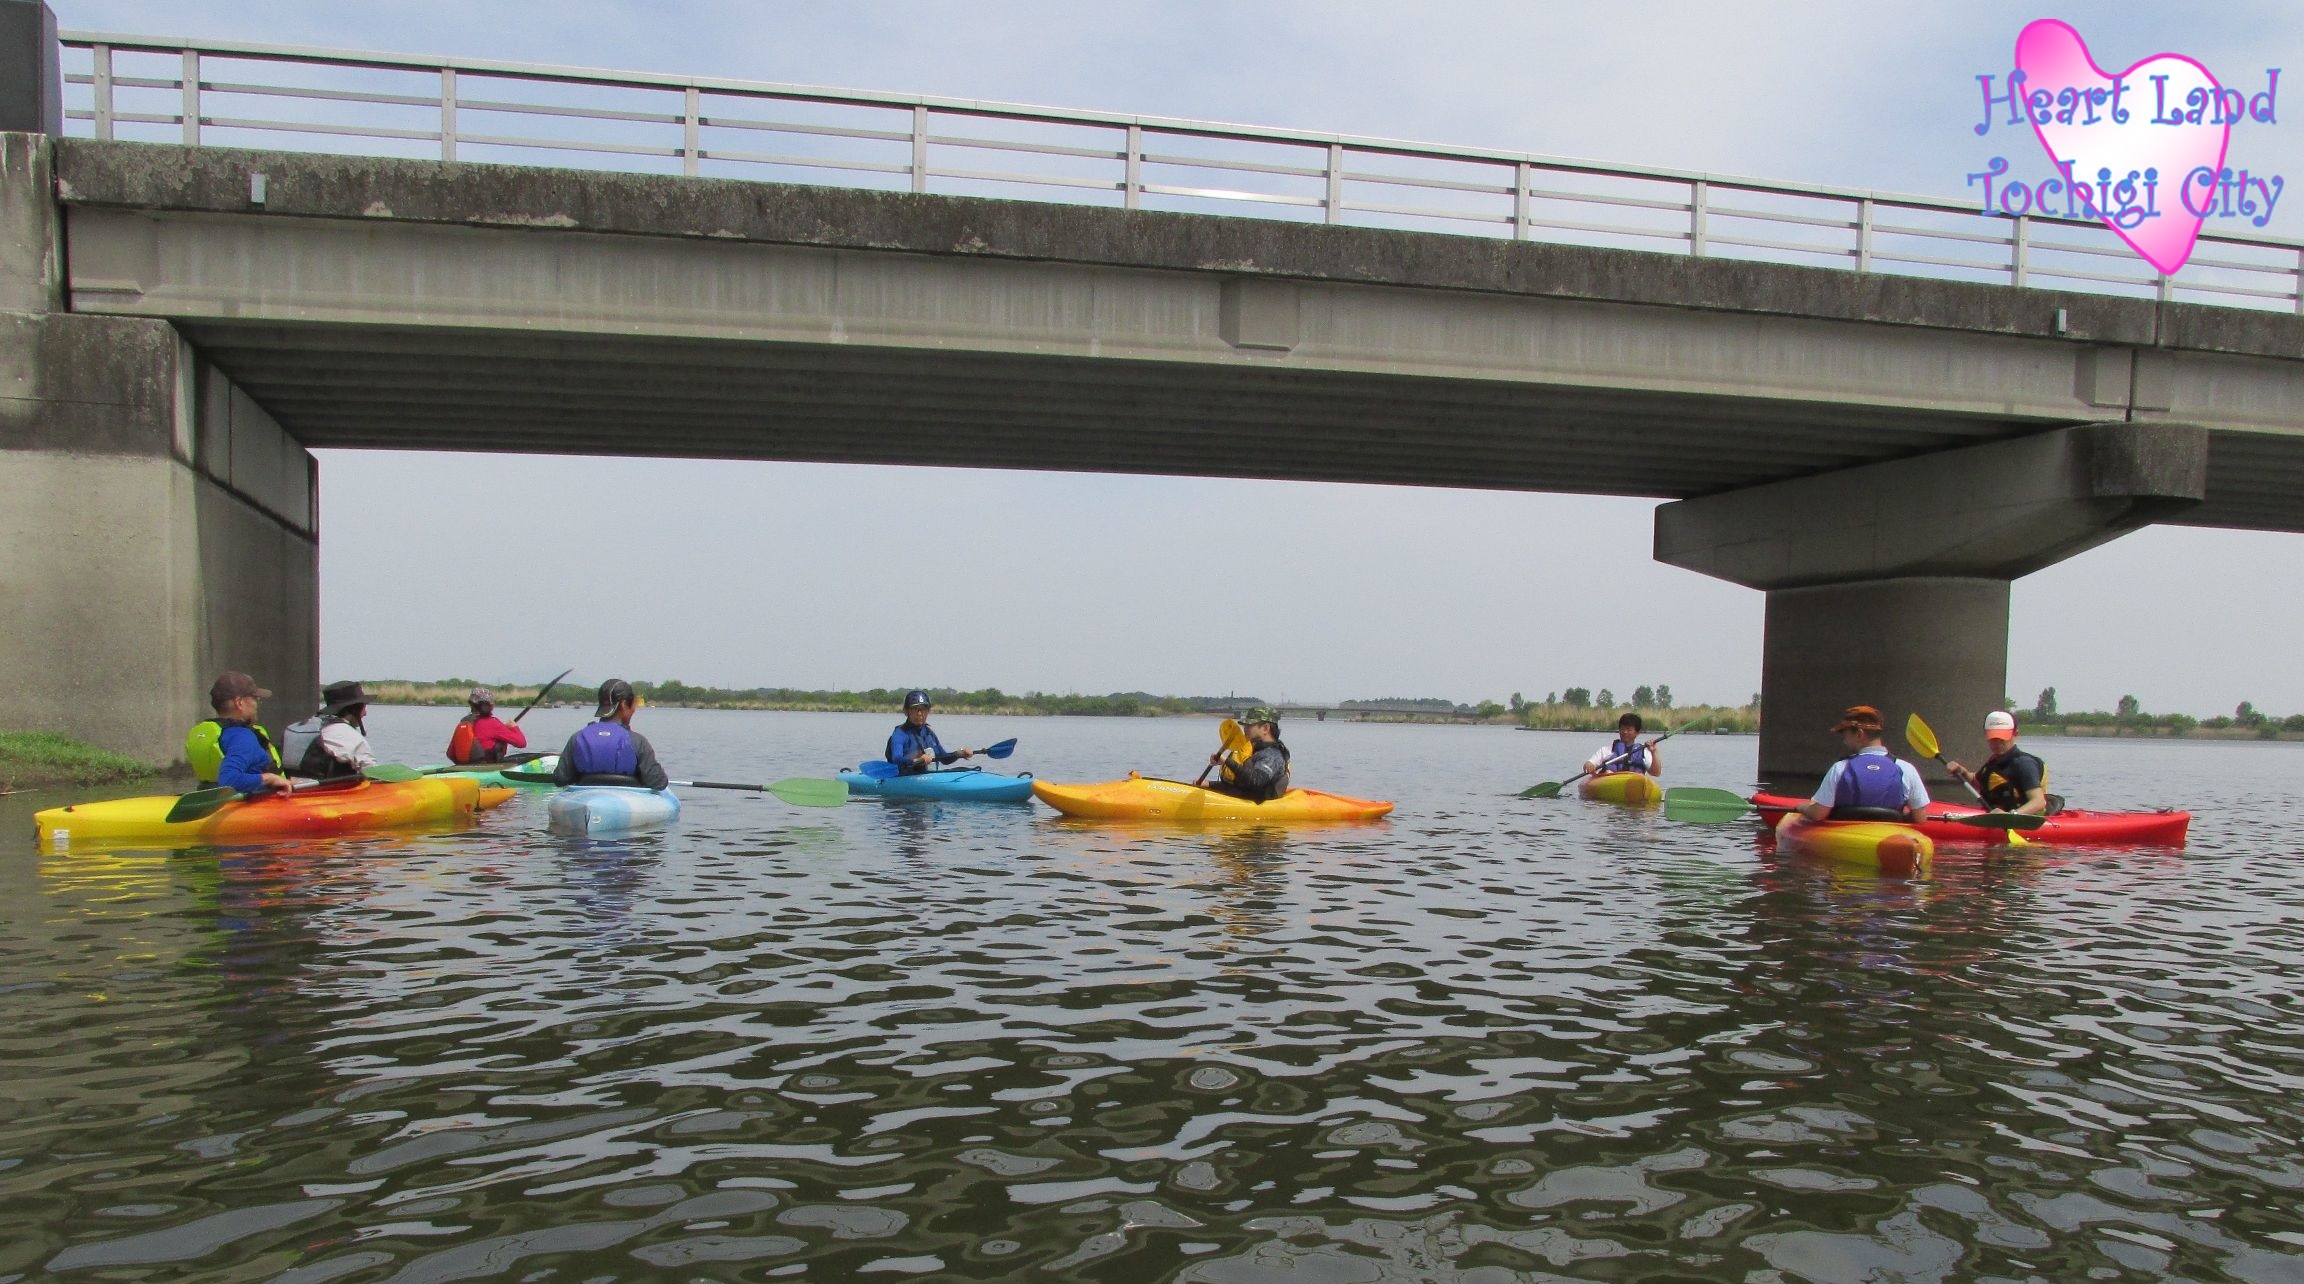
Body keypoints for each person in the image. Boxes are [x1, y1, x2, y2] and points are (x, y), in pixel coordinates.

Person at [1797, 704, 1928, 823]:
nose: (1844, 741)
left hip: (1846, 838)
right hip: (1890, 836)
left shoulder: (1840, 767)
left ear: (1859, 734)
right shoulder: (1906, 768)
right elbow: (1921, 818)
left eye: (1845, 734)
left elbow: (1818, 814)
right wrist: (1901, 815)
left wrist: (1801, 806)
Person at [184, 671, 292, 794]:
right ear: (239, 702)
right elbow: (229, 780)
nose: (257, 704)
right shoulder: (242, 737)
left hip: (215, 801)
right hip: (255, 805)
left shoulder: (222, 733)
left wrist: (283, 781)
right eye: (255, 698)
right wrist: (269, 778)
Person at [553, 678, 669, 790]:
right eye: (634, 704)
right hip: (627, 804)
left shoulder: (577, 738)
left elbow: (560, 779)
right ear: (624, 704)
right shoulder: (638, 741)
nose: (634, 709)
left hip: (586, 800)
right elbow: (659, 782)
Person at [1943, 710, 2050, 816]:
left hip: (2023, 822)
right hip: (1996, 817)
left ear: (2015, 734)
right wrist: (1963, 772)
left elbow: (2039, 802)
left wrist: (2010, 816)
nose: (1997, 742)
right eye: (1993, 737)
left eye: (2002, 737)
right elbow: (1978, 780)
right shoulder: (1994, 762)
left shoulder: (2024, 764)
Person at [282, 680, 379, 782]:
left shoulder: (294, 727)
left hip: (293, 790)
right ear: (354, 709)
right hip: (332, 793)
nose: (365, 713)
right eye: (363, 707)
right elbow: (372, 772)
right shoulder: (346, 733)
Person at [884, 690, 981, 776]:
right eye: (915, 709)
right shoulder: (900, 734)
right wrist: (917, 760)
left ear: (928, 711)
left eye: (923, 709)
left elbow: (943, 758)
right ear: (906, 711)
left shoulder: (929, 734)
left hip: (927, 778)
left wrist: (959, 754)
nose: (920, 713)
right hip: (903, 778)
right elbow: (896, 758)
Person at [1206, 707, 1292, 802]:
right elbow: (1240, 786)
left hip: (1259, 804)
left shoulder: (1272, 755)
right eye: (1245, 725)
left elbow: (1256, 781)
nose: (1245, 729)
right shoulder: (1253, 751)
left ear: (1265, 728)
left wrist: (1227, 761)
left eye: (1249, 725)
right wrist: (1209, 784)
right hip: (1244, 798)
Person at [446, 687, 529, 765]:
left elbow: (450, 753)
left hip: (465, 766)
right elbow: (522, 743)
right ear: (490, 706)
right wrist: (514, 727)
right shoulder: (493, 723)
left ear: (471, 705)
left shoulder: (464, 723)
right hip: (487, 766)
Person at [1586, 712, 1661, 777]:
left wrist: (1654, 752)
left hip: (1634, 785)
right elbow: (1589, 763)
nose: (1625, 732)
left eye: (1629, 730)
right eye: (1622, 729)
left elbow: (1656, 773)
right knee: (1608, 772)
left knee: (1640, 775)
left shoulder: (1643, 752)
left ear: (1637, 733)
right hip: (1611, 782)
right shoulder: (1606, 750)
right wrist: (1589, 766)